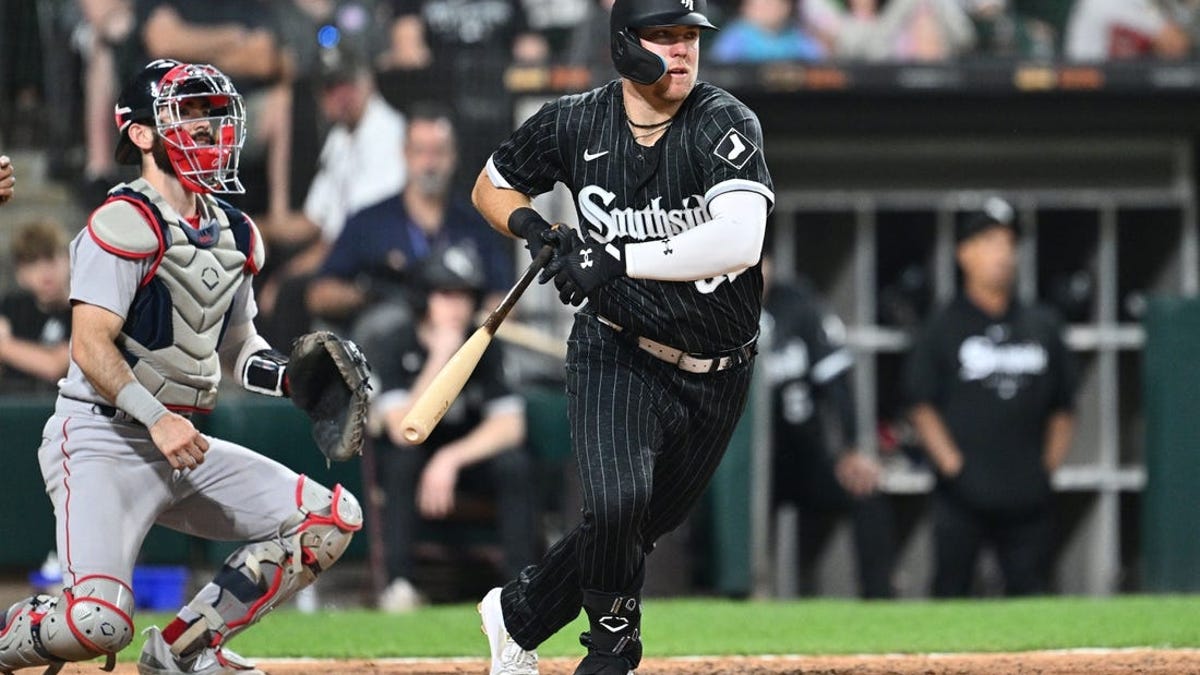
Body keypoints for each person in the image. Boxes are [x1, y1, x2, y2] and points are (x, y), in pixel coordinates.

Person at [0, 60, 362, 674]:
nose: (207, 128)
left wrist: (290, 378)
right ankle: (17, 631)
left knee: (329, 520)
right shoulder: (121, 221)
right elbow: (89, 347)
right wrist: (158, 419)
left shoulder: (238, 233)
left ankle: (183, 651)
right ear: (141, 133)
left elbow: (238, 347)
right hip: (103, 437)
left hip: (184, 442)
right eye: (187, 113)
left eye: (212, 114)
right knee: (97, 623)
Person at [469, 0, 774, 672]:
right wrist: (534, 230)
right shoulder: (575, 120)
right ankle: (612, 649)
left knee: (636, 526)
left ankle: (518, 614)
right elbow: (490, 185)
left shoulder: (723, 121)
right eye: (665, 36)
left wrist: (617, 257)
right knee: (616, 502)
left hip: (718, 367)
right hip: (617, 347)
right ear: (626, 43)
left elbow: (741, 240)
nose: (683, 50)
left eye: (689, 36)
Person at [903, 197, 1077, 597]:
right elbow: (921, 404)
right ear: (964, 253)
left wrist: (1046, 469)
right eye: (990, 242)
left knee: (1031, 596)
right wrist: (954, 466)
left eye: (1008, 242)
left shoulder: (1042, 324)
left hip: (1027, 492)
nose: (1003, 253)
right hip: (962, 493)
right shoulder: (942, 327)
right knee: (952, 594)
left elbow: (1064, 407)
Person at [370, 245, 537, 613]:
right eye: (446, 294)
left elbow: (510, 426)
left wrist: (450, 458)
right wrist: (440, 357)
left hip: (463, 459)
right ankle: (400, 585)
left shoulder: (486, 347)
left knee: (514, 464)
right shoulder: (395, 342)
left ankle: (520, 588)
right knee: (400, 461)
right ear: (423, 297)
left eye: (464, 295)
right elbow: (403, 429)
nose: (456, 306)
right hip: (417, 457)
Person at [306, 105, 513, 334]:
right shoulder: (368, 222)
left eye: (439, 151)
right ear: (404, 154)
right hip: (383, 356)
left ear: (454, 156)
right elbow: (319, 295)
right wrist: (369, 293)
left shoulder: (476, 225)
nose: (429, 163)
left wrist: (465, 311)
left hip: (457, 352)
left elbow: (506, 300)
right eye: (420, 150)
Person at [762, 265, 894, 599]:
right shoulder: (709, 303)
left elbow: (836, 384)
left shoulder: (798, 304)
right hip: (734, 466)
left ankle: (881, 604)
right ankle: (728, 600)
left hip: (802, 453)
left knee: (866, 491)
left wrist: (851, 448)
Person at [0, 220, 72, 395]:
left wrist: (5, 347)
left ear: (68, 259)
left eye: (50, 259)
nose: (44, 271)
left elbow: (53, 366)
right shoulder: (12, 306)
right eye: (32, 263)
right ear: (20, 274)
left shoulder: (83, 309)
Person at [710, 0, 826, 62]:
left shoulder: (797, 34)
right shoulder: (736, 34)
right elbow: (720, 67)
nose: (769, 9)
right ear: (746, 8)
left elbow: (820, 63)